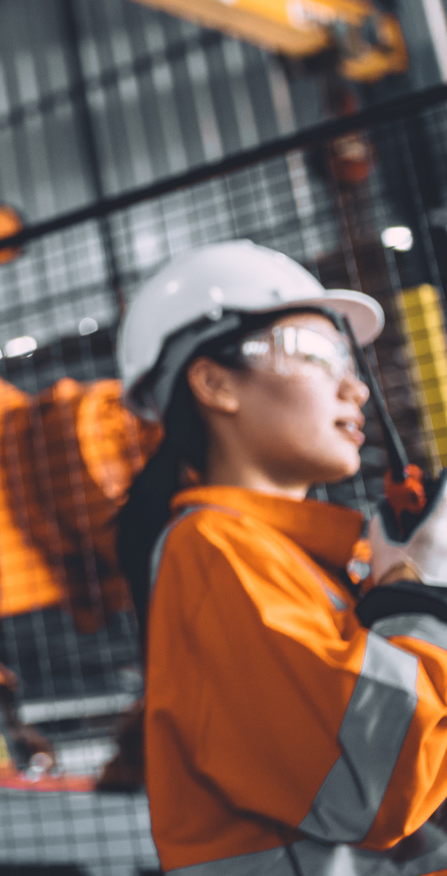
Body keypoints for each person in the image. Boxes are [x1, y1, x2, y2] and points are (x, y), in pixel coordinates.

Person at [114, 240, 447, 876]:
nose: (355, 388)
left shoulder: (316, 566)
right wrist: (419, 595)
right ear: (215, 383)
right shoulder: (211, 551)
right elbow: (374, 787)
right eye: (318, 355)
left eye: (349, 362)